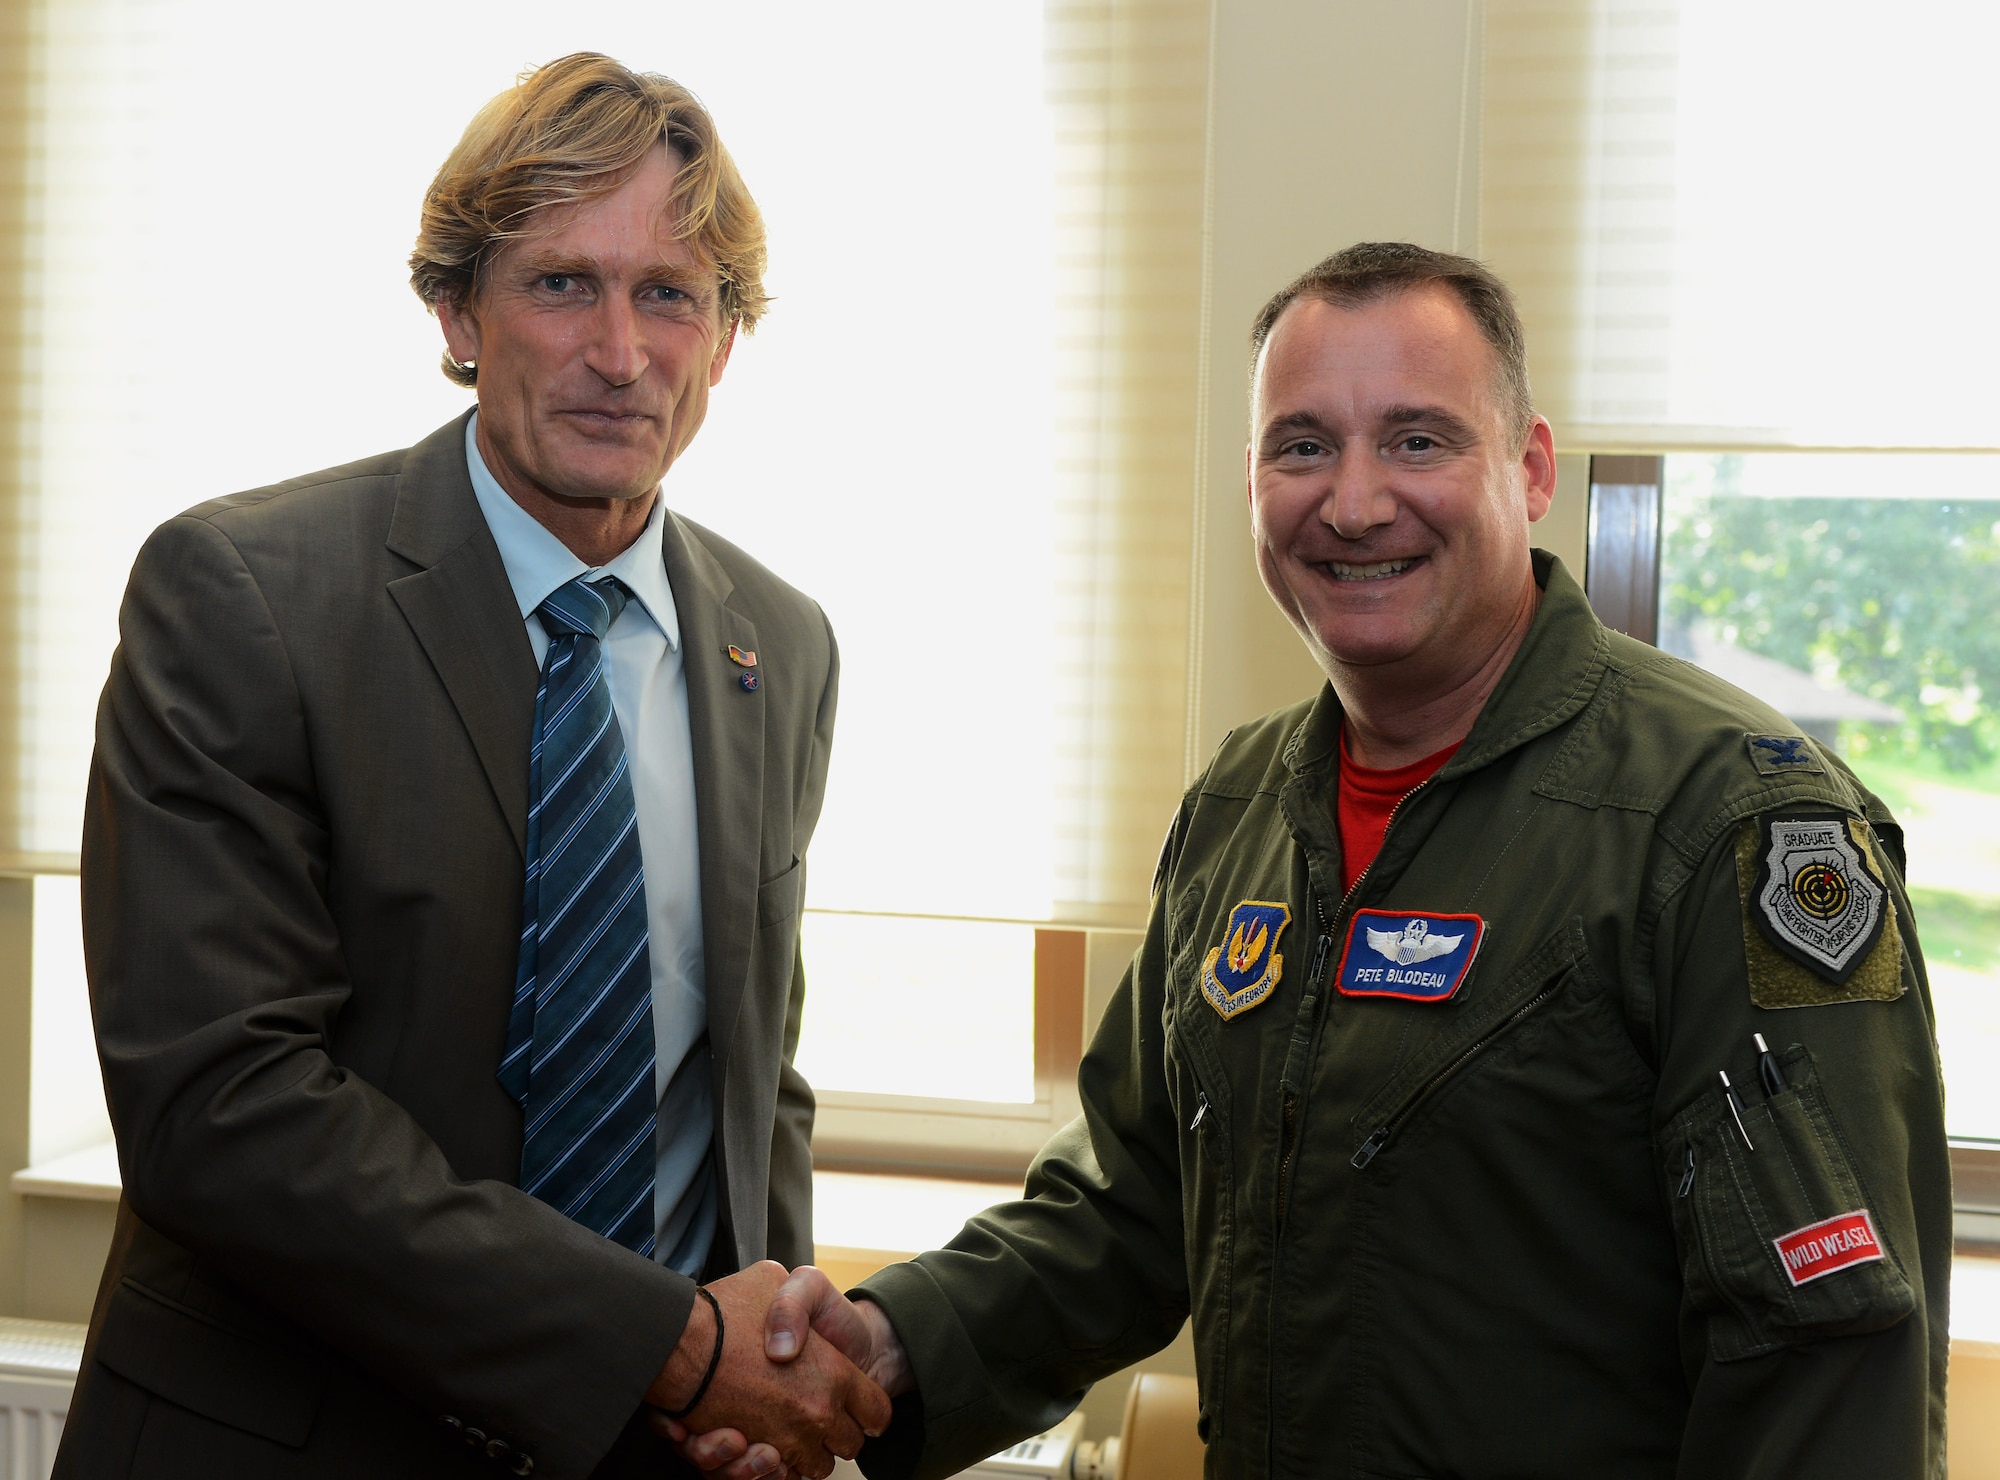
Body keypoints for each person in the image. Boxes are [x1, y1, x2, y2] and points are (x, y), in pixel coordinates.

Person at [691, 242, 1952, 1479]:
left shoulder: (1723, 820)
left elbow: (1825, 1358)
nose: (1352, 502)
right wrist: (884, 1344)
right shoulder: (1238, 808)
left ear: (1527, 470)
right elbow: (1129, 1209)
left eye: (1416, 439)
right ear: (1251, 487)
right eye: (1302, 446)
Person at [56, 53, 887, 1480]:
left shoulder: (781, 647)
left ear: (725, 339)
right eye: (563, 284)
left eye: (672, 294)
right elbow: (223, 1115)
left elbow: (752, 1082)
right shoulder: (243, 596)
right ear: (457, 310)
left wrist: (769, 1374)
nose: (621, 352)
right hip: (299, 1438)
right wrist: (674, 1345)